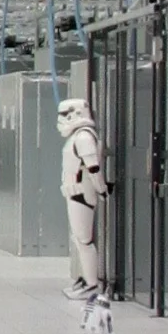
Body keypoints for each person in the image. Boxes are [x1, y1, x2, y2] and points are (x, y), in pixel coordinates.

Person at [57, 98, 110, 300]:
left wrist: (101, 189)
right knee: (79, 239)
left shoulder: (84, 137)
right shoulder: (77, 136)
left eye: (64, 114)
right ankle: (86, 279)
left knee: (84, 239)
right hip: (74, 191)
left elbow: (93, 169)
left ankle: (92, 283)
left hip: (82, 193)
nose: (62, 119)